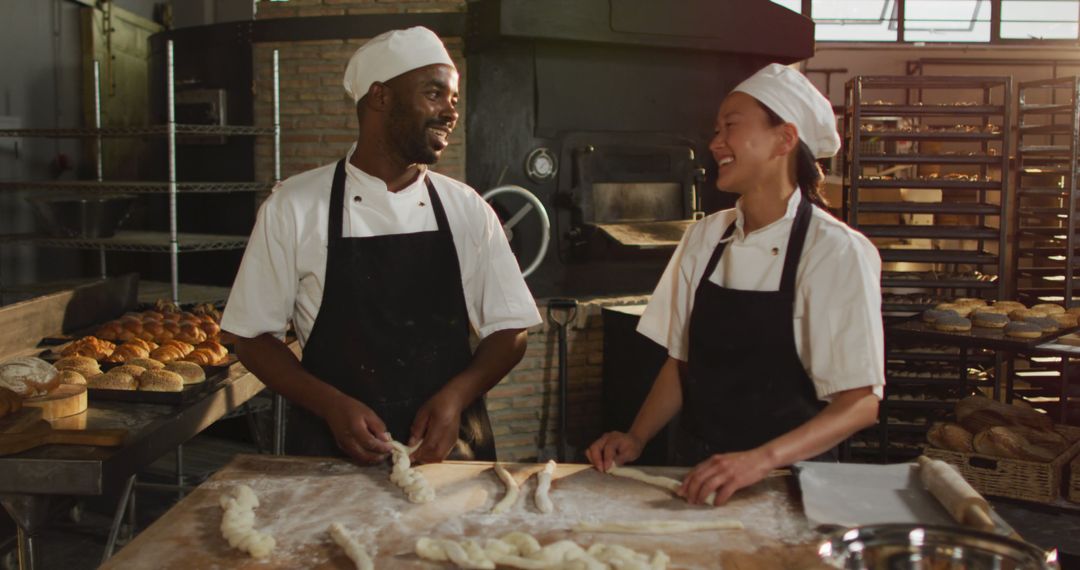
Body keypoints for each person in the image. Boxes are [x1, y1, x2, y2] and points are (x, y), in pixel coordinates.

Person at [221, 27, 542, 465]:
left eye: (453, 99)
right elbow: (252, 338)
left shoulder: (466, 208)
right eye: (435, 94)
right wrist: (330, 404)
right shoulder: (294, 207)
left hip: (450, 452)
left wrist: (455, 397)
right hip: (330, 457)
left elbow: (511, 329)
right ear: (380, 97)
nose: (451, 112)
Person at [585, 63, 884, 505]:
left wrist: (759, 460)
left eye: (730, 127)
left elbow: (860, 402)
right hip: (698, 474)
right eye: (715, 130)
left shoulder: (835, 251)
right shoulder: (705, 237)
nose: (714, 143)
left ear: (785, 139)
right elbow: (681, 362)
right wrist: (637, 436)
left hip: (793, 485)